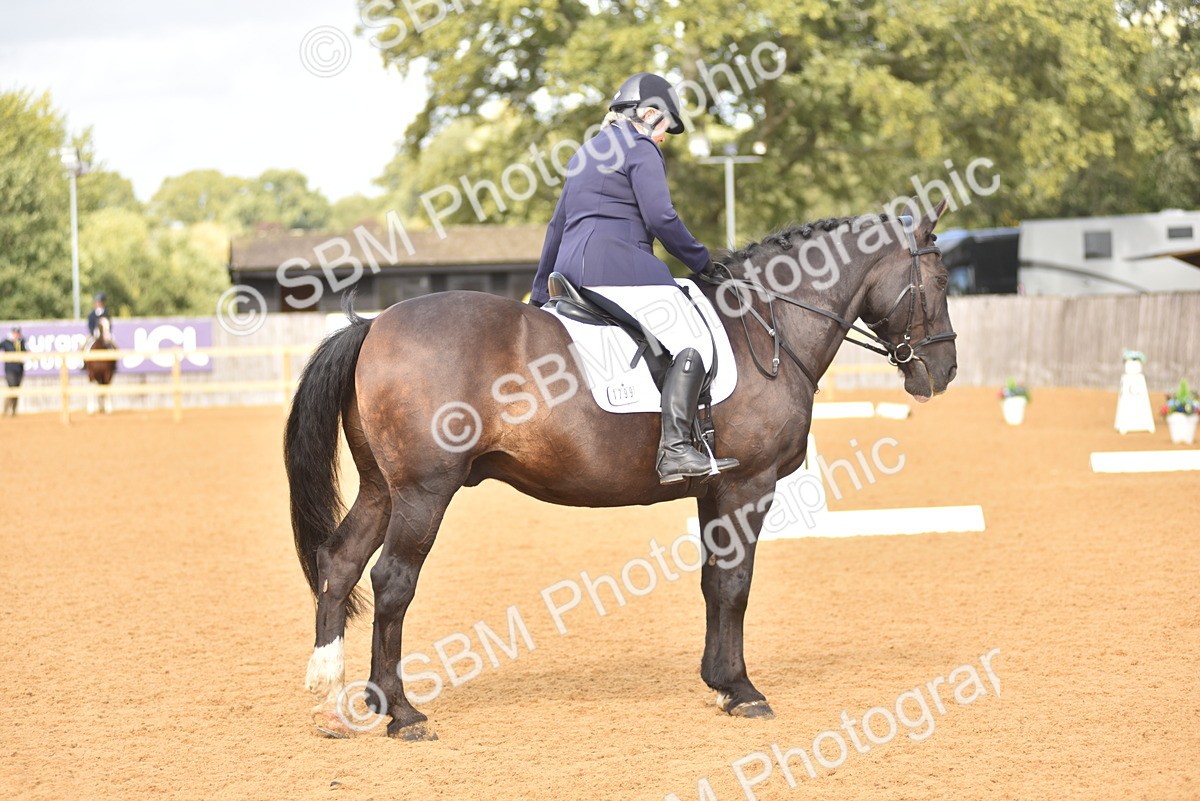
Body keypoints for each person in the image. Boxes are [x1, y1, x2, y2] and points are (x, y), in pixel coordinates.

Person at [529, 72, 739, 485]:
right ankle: (677, 450)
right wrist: (701, 262)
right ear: (647, 114)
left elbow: (556, 227)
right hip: (620, 268)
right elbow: (661, 216)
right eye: (665, 128)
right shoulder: (639, 145)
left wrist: (539, 294)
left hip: (571, 271)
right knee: (694, 341)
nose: (664, 138)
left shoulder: (585, 152)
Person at [2, 326, 27, 416]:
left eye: (18, 333)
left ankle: (13, 411)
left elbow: (25, 352)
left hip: (19, 369)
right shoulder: (6, 342)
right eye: (15, 333)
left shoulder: (22, 342)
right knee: (12, 388)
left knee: (17, 389)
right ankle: (5, 411)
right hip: (10, 370)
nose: (17, 335)